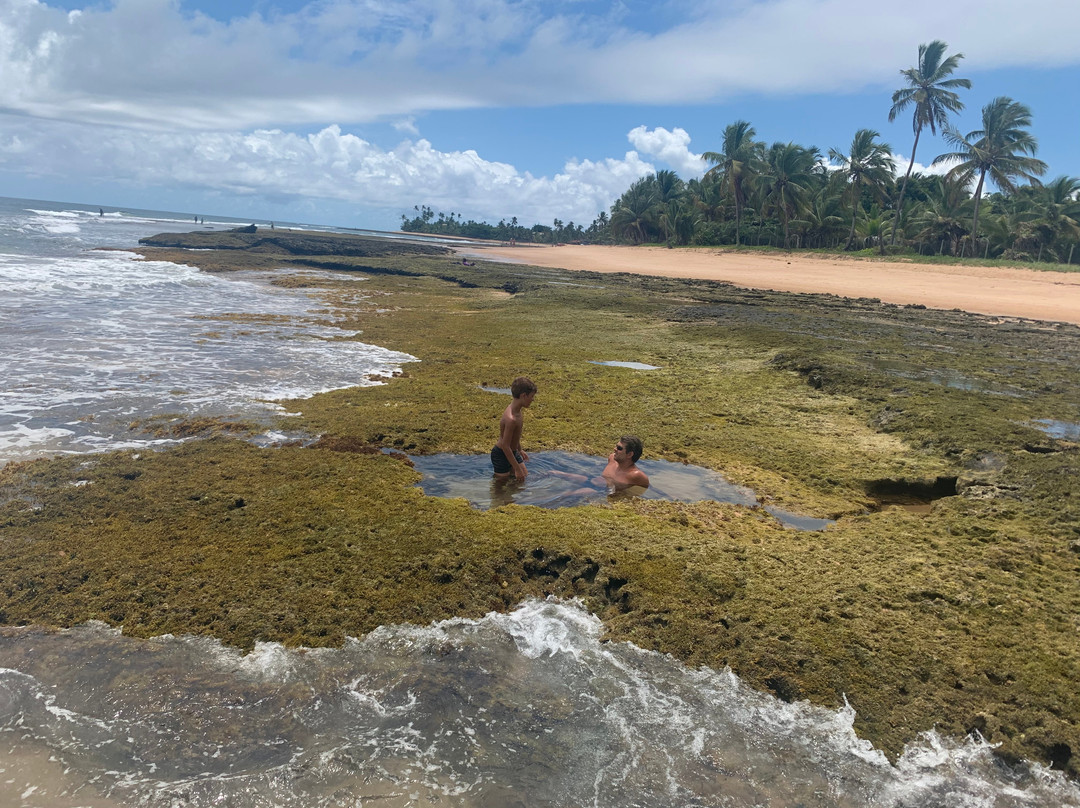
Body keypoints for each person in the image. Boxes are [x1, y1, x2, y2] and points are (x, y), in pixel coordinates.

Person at [551, 435, 650, 496]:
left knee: (565, 495)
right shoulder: (612, 459)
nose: (614, 449)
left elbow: (647, 488)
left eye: (619, 448)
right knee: (554, 473)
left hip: (598, 491)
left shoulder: (636, 475)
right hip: (591, 480)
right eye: (616, 445)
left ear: (630, 454)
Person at [491, 377, 536, 481]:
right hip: (501, 454)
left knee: (523, 478)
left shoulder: (518, 411)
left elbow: (514, 436)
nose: (532, 399)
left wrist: (519, 449)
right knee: (501, 484)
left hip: (513, 451)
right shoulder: (511, 419)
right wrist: (517, 468)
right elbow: (505, 446)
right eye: (532, 396)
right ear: (524, 395)